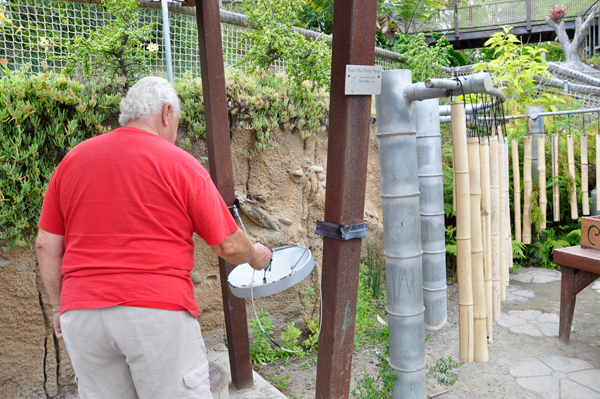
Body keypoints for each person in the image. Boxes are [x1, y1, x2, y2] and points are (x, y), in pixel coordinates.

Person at [36, 76, 272, 399]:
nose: (175, 130)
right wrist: (255, 256)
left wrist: (57, 305)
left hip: (82, 315)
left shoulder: (73, 161)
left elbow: (46, 244)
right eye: (176, 120)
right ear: (165, 114)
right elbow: (227, 243)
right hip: (154, 311)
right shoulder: (179, 164)